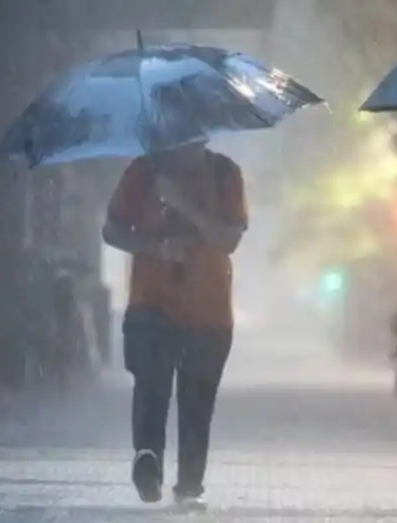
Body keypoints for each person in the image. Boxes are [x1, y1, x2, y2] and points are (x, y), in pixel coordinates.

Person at [102, 140, 248, 511]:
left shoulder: (224, 174)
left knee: (197, 400)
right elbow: (112, 231)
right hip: (151, 304)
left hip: (209, 310)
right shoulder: (143, 171)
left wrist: (183, 203)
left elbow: (229, 239)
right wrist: (156, 248)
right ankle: (147, 459)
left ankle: (189, 485)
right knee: (151, 385)